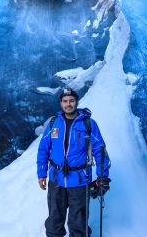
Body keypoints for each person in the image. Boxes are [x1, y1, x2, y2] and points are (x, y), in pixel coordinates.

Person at [37, 88, 111, 237]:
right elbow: (43, 149)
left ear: (77, 102)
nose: (68, 104)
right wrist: (41, 174)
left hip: (79, 181)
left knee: (78, 224)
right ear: (60, 103)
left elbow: (100, 151)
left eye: (71, 101)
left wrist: (103, 177)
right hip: (56, 180)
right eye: (65, 101)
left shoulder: (88, 124)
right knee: (54, 220)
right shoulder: (53, 124)